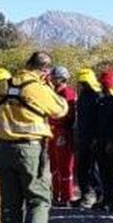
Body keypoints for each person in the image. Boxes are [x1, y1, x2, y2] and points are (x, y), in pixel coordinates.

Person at [0, 51, 68, 223]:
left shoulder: (0, 87)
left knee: (10, 202)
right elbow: (61, 109)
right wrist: (48, 86)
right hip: (30, 150)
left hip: (2, 150)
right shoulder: (37, 88)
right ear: (45, 70)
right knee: (39, 199)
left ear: (26, 64)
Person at [95, 70, 113, 212]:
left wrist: (112, 142)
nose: (101, 87)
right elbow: (98, 123)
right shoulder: (102, 101)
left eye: (103, 84)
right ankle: (106, 198)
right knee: (103, 171)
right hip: (101, 141)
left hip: (112, 142)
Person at [73, 67, 102, 208]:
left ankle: (100, 195)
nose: (82, 85)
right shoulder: (82, 96)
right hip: (82, 137)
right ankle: (85, 194)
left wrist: (96, 138)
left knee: (93, 169)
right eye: (81, 83)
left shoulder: (98, 97)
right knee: (81, 169)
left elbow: (100, 121)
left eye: (84, 82)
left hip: (93, 138)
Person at [49, 66, 78, 206]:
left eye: (55, 77)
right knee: (54, 166)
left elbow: (69, 116)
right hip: (52, 132)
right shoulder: (53, 92)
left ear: (62, 78)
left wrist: (63, 133)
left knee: (65, 166)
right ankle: (56, 195)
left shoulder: (68, 93)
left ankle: (67, 196)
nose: (52, 80)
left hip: (63, 133)